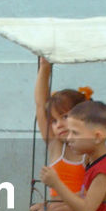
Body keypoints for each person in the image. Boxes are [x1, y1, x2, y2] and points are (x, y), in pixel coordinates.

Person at [33, 59, 88, 199]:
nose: (59, 125)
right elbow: (40, 104)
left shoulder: (90, 152)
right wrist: (44, 67)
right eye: (53, 121)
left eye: (64, 117)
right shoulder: (55, 145)